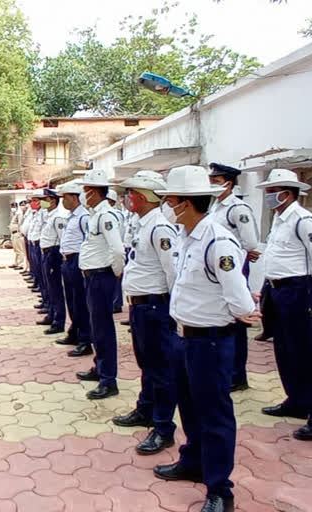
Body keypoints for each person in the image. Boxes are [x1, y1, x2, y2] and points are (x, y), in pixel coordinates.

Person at [152, 165, 257, 512]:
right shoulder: (186, 236)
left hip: (210, 341)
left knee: (214, 416)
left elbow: (240, 299)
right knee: (190, 407)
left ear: (185, 203)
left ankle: (219, 490)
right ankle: (193, 460)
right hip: (184, 337)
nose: (167, 205)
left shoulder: (218, 241)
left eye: (170, 200)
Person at [255, 168, 312, 441]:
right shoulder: (279, 219)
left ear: (286, 194)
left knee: (304, 354)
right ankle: (297, 401)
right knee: (284, 349)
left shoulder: (303, 220)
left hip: (297, 289)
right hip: (277, 289)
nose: (267, 197)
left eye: (271, 193)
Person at [111, 171, 179, 456]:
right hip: (140, 305)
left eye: (131, 194)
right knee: (147, 364)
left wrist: (174, 312)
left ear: (143, 197)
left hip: (156, 305)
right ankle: (146, 409)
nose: (127, 199)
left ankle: (163, 428)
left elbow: (173, 272)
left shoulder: (160, 228)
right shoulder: (141, 224)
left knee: (161, 368)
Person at [208, 163, 261, 392]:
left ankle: (237, 374)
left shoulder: (238, 209)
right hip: (216, 270)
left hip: (233, 266)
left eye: (215, 181)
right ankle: (224, 369)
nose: (211, 184)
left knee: (238, 318)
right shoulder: (215, 207)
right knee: (222, 317)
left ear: (228, 183)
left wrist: (237, 251)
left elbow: (250, 243)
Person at [75, 170, 125, 400]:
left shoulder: (106, 217)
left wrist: (113, 275)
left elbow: (117, 250)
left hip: (101, 277)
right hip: (93, 277)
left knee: (103, 329)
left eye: (85, 192)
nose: (83, 196)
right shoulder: (95, 214)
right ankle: (100, 367)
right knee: (96, 327)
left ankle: (108, 380)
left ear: (93, 192)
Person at [56, 181, 91, 356]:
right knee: (71, 300)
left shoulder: (84, 217)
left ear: (75, 198)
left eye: (65, 197)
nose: (63, 201)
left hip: (77, 261)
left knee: (80, 302)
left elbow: (88, 242)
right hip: (67, 261)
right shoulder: (72, 217)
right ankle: (74, 332)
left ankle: (85, 339)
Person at [37, 188, 67, 335]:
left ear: (53, 201)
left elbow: (62, 239)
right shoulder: (49, 215)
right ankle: (52, 314)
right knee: (50, 287)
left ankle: (58, 321)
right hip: (47, 253)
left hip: (53, 253)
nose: (42, 202)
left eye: (45, 199)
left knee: (55, 289)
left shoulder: (58, 217)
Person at [106, 188, 126, 313]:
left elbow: (119, 233)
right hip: (110, 248)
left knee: (116, 275)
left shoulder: (116, 214)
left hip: (115, 247)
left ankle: (117, 302)